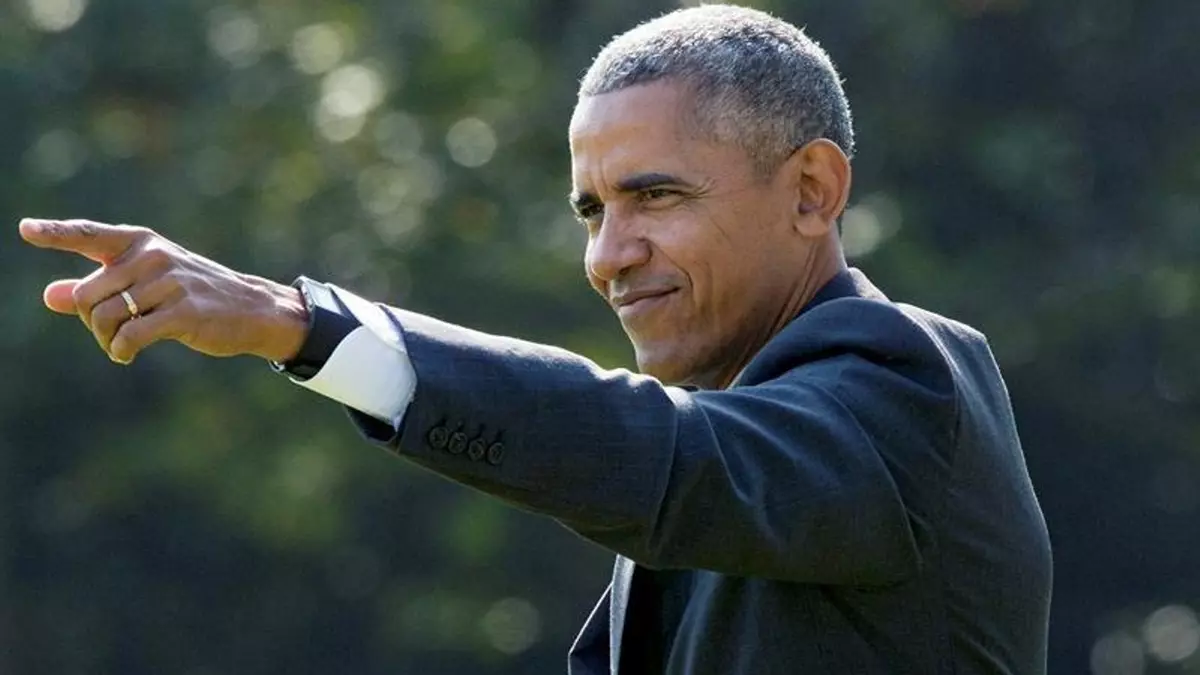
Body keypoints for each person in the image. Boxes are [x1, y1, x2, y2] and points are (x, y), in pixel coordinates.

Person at [18, 4, 1052, 674]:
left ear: (813, 191)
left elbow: (661, 455)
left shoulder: (905, 385)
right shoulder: (736, 453)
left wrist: (304, 326)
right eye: (592, 211)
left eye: (656, 196)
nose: (609, 256)